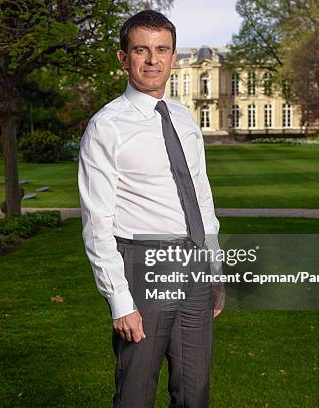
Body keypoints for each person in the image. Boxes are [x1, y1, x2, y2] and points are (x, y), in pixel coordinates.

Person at [78, 10, 225, 408]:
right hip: (144, 265)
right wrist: (120, 301)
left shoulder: (183, 117)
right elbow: (96, 223)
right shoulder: (106, 127)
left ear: (173, 57)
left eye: (162, 50)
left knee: (195, 393)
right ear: (123, 58)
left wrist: (214, 266)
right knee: (136, 394)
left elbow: (201, 196)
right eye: (141, 50)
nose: (152, 60)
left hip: (194, 262)